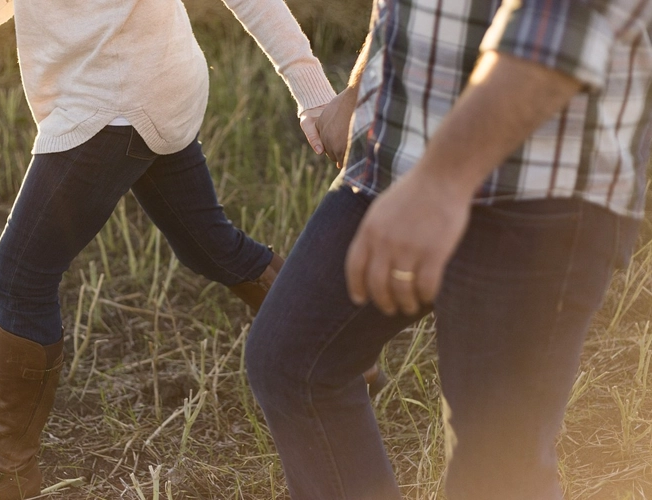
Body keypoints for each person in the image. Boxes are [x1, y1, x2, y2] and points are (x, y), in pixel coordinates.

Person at [0, 1, 360, 499]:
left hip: (116, 99)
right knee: (208, 246)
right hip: (144, 81)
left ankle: (5, 469)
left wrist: (314, 93)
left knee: (20, 273)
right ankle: (334, 346)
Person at [245, 0, 652, 497]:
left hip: (539, 182)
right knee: (293, 362)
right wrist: (362, 83)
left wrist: (440, 183)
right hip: (398, 156)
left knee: (495, 465)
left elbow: (559, 29)